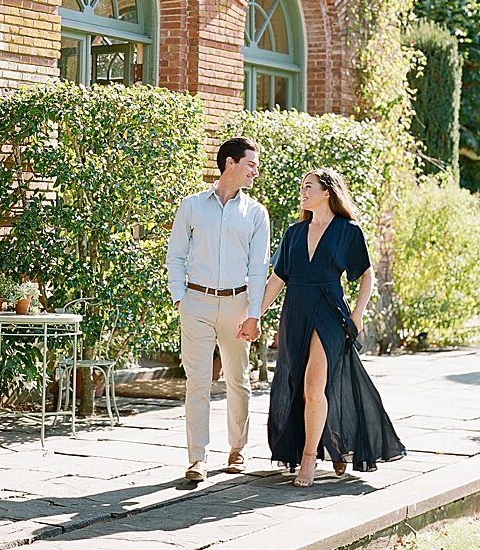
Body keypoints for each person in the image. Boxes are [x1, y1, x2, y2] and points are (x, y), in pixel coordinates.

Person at [259, 167, 404, 486]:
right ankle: (335, 445)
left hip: (329, 314)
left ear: (327, 192)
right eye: (301, 186)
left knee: (313, 387)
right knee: (302, 388)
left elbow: (366, 275)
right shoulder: (294, 233)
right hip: (295, 313)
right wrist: (254, 315)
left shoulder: (347, 230)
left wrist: (358, 313)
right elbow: (277, 279)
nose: (303, 191)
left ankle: (309, 459)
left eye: (308, 186)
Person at [166, 137, 271, 483]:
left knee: (238, 379)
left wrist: (253, 313)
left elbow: (259, 268)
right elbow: (176, 255)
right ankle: (197, 457)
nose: (255, 171)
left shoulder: (256, 213)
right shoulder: (192, 206)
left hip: (237, 304)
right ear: (230, 163)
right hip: (195, 302)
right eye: (250, 164)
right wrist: (180, 297)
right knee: (197, 382)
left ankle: (237, 449)